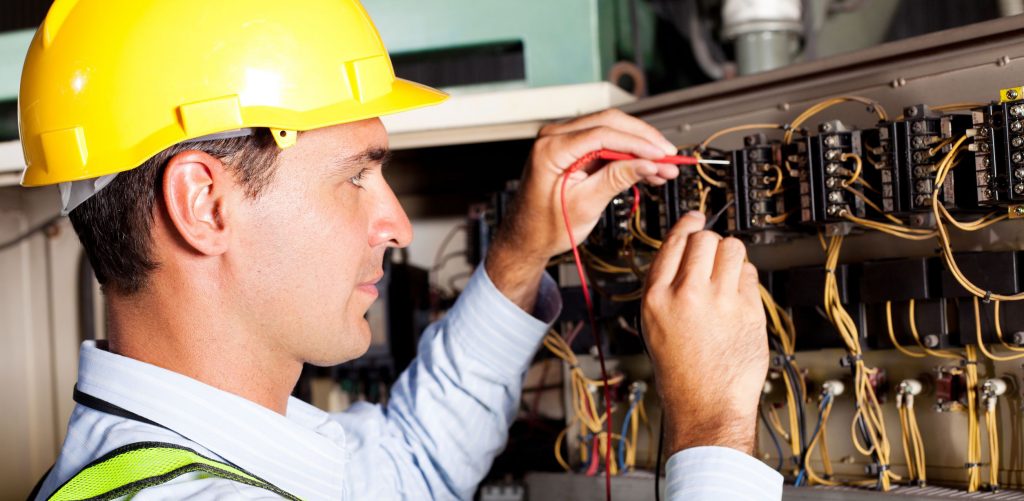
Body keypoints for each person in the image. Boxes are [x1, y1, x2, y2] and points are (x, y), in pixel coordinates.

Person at [22, 1, 780, 499]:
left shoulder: (197, 453)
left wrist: (519, 251)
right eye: (356, 176)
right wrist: (712, 427)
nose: (398, 224)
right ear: (203, 203)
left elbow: (409, 464)